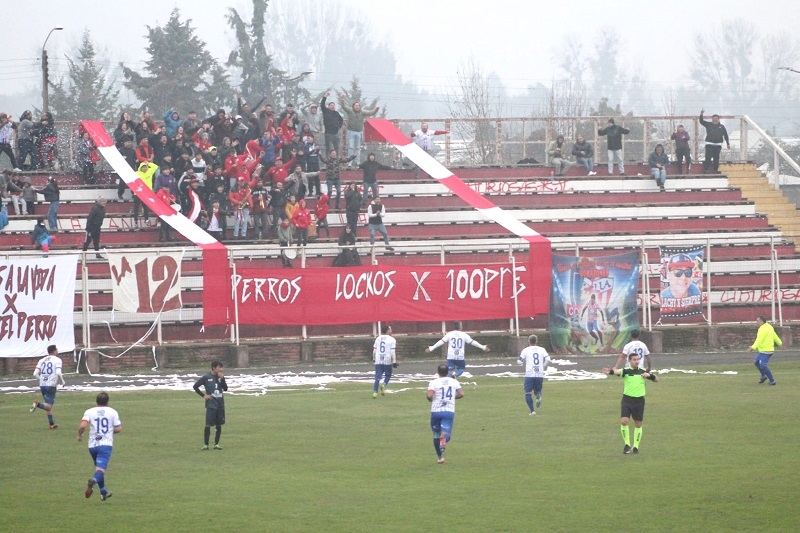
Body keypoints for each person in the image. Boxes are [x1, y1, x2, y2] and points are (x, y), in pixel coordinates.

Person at [602, 352, 658, 455]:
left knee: (638, 424)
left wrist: (649, 376)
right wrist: (609, 371)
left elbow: (656, 380)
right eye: (634, 360)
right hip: (627, 400)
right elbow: (617, 372)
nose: (637, 361)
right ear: (629, 361)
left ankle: (636, 446)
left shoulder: (643, 371)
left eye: (638, 359)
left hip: (639, 401)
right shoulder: (626, 371)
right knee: (624, 421)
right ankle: (627, 444)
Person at [78, 392, 122, 501]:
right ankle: (93, 482)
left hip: (92, 445)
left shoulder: (89, 411)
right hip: (105, 445)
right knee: (100, 470)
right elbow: (118, 428)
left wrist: (79, 435)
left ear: (96, 401)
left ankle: (103, 492)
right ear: (107, 401)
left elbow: (83, 425)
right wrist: (109, 431)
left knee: (98, 469)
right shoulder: (112, 412)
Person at [427, 363, 464, 464]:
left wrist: (430, 399)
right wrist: (452, 398)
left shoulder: (433, 382)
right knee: (446, 433)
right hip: (448, 411)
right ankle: (444, 440)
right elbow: (461, 394)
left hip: (436, 411)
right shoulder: (454, 381)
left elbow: (429, 395)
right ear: (447, 372)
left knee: (436, 434)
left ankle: (440, 457)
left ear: (438, 372)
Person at [425, 321, 489, 377]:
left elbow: (441, 342)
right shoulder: (464, 335)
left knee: (449, 368)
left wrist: (431, 348)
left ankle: (447, 375)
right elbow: (473, 342)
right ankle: (455, 375)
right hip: (460, 356)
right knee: (461, 368)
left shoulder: (449, 334)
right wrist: (483, 347)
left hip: (451, 355)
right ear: (460, 327)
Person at [193, 360, 228, 450]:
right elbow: (195, 386)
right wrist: (204, 395)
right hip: (211, 405)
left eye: (221, 367)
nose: (221, 369)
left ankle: (216, 444)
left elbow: (225, 389)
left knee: (219, 424)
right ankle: (206, 445)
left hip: (220, 404)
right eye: (219, 367)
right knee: (208, 424)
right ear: (213, 368)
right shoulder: (206, 377)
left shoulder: (220, 377)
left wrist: (223, 379)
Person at [30, 344, 65, 429]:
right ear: (54, 351)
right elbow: (58, 373)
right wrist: (63, 381)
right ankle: (37, 404)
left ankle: (51, 424)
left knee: (47, 404)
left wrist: (41, 380)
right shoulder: (58, 360)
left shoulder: (42, 360)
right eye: (57, 349)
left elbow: (35, 374)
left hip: (42, 384)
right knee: (49, 406)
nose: (58, 351)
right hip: (51, 384)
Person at [517, 334, 550, 415]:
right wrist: (543, 367)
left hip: (529, 374)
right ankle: (538, 396)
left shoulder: (525, 350)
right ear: (536, 341)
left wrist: (520, 362)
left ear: (529, 341)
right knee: (538, 390)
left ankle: (532, 411)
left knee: (528, 392)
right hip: (539, 374)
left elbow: (519, 362)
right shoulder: (542, 349)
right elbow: (548, 359)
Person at [340, 99, 379, 165]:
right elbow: (343, 106)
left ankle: (357, 162)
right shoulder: (350, 111)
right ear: (353, 106)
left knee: (357, 148)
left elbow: (371, 112)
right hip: (351, 132)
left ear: (360, 106)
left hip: (359, 132)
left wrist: (376, 109)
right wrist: (342, 99)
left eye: (358, 105)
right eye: (355, 105)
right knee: (351, 147)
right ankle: (350, 161)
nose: (357, 106)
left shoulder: (362, 112)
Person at [748, 316, 782, 385]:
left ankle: (772, 380)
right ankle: (763, 376)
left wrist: (752, 347)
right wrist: (780, 343)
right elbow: (775, 336)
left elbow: (759, 340)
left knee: (763, 365)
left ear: (762, 321)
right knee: (756, 361)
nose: (756, 322)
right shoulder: (769, 327)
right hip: (764, 350)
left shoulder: (762, 329)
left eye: (758, 321)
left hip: (766, 350)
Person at [699, 109, 730, 173]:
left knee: (716, 158)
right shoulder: (708, 124)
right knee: (708, 157)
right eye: (713, 118)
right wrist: (701, 114)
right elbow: (701, 121)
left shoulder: (722, 127)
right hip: (709, 144)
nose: (715, 120)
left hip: (718, 144)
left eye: (716, 118)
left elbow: (726, 135)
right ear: (712, 119)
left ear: (718, 119)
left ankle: (715, 170)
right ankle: (706, 170)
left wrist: (728, 143)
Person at [372, 324, 397, 398]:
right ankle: (384, 385)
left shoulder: (378, 338)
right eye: (390, 329)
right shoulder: (392, 339)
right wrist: (394, 361)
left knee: (377, 377)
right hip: (387, 359)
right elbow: (392, 352)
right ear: (388, 330)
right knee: (388, 375)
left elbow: (374, 350)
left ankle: (375, 392)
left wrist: (373, 358)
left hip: (378, 359)